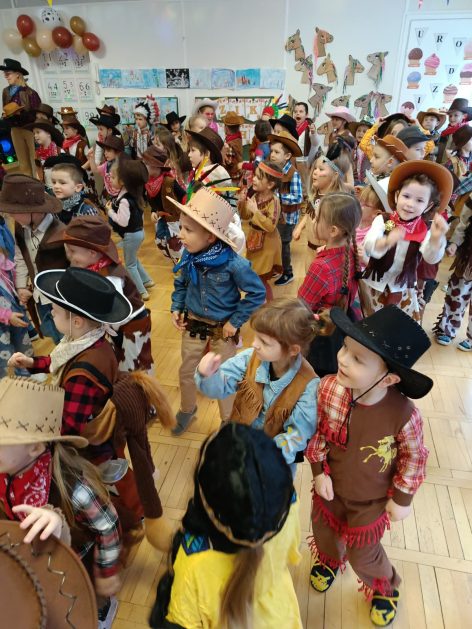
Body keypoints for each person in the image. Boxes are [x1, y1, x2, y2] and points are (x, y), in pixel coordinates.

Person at [306, 305, 432, 627]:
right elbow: (316, 432)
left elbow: (414, 457)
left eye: (358, 359)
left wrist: (402, 498)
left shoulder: (404, 415)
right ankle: (330, 559)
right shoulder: (329, 389)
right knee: (323, 530)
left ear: (388, 378)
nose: (343, 358)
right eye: (345, 347)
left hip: (371, 500)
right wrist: (318, 472)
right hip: (331, 487)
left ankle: (384, 587)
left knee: (364, 553)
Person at [150, 423, 303, 629]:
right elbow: (291, 553)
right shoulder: (290, 505)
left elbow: (183, 621)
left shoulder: (193, 561)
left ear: (204, 502)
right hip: (283, 616)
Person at [0, 377, 122, 627]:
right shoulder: (6, 468)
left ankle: (103, 610)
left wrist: (106, 572)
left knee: (84, 602)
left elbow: (108, 526)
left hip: (77, 561)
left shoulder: (73, 488)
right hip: (34, 561)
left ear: (35, 448)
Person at [8, 266, 131, 463]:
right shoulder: (91, 339)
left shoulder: (83, 374)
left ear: (77, 322)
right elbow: (60, 359)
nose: (51, 313)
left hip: (89, 450)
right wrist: (32, 362)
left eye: (55, 311)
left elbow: (68, 429)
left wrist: (32, 427)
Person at [170, 188, 265, 435]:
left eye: (188, 230)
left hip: (223, 329)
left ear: (210, 237)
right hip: (193, 324)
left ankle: (228, 420)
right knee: (186, 371)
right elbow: (181, 283)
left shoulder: (234, 264)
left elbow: (257, 293)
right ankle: (187, 409)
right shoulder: (188, 256)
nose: (180, 235)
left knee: (224, 375)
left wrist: (236, 321)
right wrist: (177, 306)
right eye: (181, 227)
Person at [196, 297, 320, 468]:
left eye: (264, 342)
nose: (254, 344)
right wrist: (208, 375)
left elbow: (297, 435)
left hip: (272, 464)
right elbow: (220, 387)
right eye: (256, 337)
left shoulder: (309, 385)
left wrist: (262, 453)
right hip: (238, 445)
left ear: (292, 349)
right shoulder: (250, 358)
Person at [51, 215, 154, 373]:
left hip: (132, 326)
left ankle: (139, 386)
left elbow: (113, 312)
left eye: (72, 251)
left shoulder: (110, 278)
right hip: (115, 326)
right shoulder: (94, 266)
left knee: (136, 365)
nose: (68, 256)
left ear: (92, 253)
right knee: (119, 358)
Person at [363, 161, 452, 321]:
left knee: (396, 324)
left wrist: (436, 239)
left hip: (402, 287)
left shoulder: (424, 230)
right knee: (370, 321)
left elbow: (431, 258)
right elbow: (369, 245)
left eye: (419, 200)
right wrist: (386, 242)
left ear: (428, 206)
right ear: (397, 196)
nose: (410, 204)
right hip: (375, 284)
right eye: (406, 196)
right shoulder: (383, 220)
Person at [298, 192, 362, 376]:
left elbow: (302, 306)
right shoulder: (351, 251)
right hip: (344, 323)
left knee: (315, 376)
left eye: (317, 218)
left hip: (322, 334)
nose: (313, 222)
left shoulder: (320, 267)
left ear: (333, 231)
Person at [0, 174, 67, 344]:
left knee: (68, 339)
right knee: (55, 337)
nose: (11, 216)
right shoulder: (21, 227)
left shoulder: (61, 233)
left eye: (15, 212)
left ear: (34, 210)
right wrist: (21, 286)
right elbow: (21, 257)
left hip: (62, 301)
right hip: (39, 298)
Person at [293, 143, 351, 270]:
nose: (315, 172)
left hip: (324, 253)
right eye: (315, 168)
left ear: (335, 175)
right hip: (310, 248)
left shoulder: (335, 202)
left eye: (321, 169)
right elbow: (309, 213)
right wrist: (300, 227)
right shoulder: (315, 194)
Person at [107, 156, 154, 300]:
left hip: (131, 235)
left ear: (123, 181)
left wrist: (110, 211)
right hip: (139, 233)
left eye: (113, 177)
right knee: (133, 259)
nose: (110, 180)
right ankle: (147, 280)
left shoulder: (125, 201)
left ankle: (141, 292)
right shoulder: (134, 195)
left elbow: (122, 222)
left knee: (130, 264)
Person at [238, 161, 283, 299]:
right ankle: (259, 301)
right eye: (255, 176)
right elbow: (245, 216)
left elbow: (271, 226)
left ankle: (267, 305)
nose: (254, 179)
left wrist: (256, 212)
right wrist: (242, 202)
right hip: (254, 241)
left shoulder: (274, 201)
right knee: (255, 275)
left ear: (270, 184)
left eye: (258, 177)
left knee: (261, 278)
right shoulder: (255, 196)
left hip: (268, 245)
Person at [434, 194, 472, 351]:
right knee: (457, 293)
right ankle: (447, 329)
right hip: (468, 257)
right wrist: (455, 244)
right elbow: (463, 223)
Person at [268, 130, 303, 286]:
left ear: (287, 156)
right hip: (277, 215)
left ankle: (288, 273)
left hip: (288, 218)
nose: (272, 155)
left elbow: (298, 197)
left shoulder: (293, 174)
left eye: (277, 152)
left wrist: (278, 197)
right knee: (276, 242)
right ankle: (279, 267)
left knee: (284, 244)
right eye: (271, 151)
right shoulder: (276, 170)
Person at [0, 216, 33, 377]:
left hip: (15, 312)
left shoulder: (3, 259)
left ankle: (27, 372)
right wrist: (7, 316)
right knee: (5, 354)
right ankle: (6, 382)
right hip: (3, 320)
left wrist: (20, 290)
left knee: (22, 344)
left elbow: (12, 273)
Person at [142, 145, 186, 263]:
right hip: (162, 217)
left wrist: (185, 214)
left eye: (146, 163)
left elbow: (184, 196)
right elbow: (152, 201)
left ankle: (182, 265)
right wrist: (153, 211)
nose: (144, 166)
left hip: (175, 219)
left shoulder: (169, 182)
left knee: (175, 244)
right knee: (160, 240)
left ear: (156, 166)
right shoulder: (149, 183)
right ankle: (175, 260)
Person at [88, 134, 124, 199]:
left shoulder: (123, 166)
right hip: (108, 194)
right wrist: (91, 158)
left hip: (120, 196)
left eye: (108, 150)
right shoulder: (106, 164)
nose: (105, 153)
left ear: (118, 152)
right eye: (104, 150)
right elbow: (95, 170)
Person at [437, 97, 471, 164]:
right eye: (450, 116)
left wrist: (455, 156)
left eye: (456, 115)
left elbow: (467, 152)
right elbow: (441, 146)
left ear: (464, 116)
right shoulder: (447, 131)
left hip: (454, 164)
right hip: (441, 161)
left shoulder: (467, 133)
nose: (452, 118)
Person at [349, 116, 373, 184]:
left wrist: (370, 175)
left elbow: (375, 164)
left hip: (367, 180)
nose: (360, 133)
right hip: (354, 180)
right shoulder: (353, 147)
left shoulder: (371, 148)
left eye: (364, 131)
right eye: (358, 130)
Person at [222, 111, 244, 181]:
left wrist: (223, 154)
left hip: (232, 176)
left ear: (226, 128)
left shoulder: (230, 144)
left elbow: (229, 162)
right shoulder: (238, 138)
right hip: (238, 173)